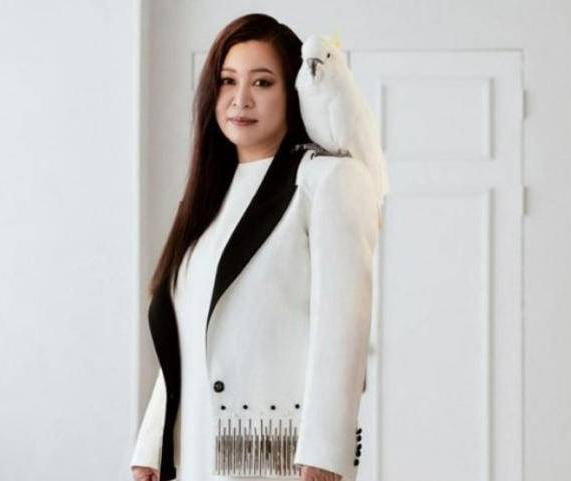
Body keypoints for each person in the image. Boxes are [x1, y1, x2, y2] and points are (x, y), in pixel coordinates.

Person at [130, 13, 382, 481]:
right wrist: (151, 446)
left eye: (262, 82)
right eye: (228, 81)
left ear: (293, 91)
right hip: (196, 454)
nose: (240, 99)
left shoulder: (327, 180)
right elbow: (190, 334)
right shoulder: (207, 199)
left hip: (279, 457)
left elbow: (342, 328)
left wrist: (326, 455)